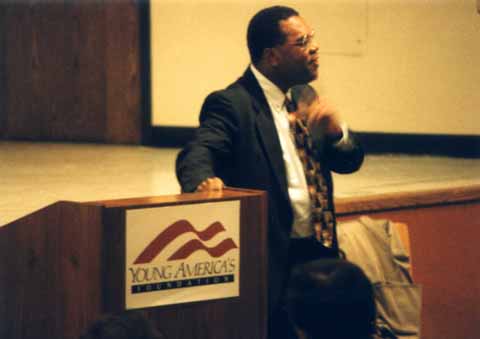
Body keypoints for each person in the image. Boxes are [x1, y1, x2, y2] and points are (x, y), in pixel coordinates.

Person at [176, 5, 370, 339]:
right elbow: (198, 150)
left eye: (313, 38)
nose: (315, 47)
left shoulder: (304, 96)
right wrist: (200, 182)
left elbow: (350, 162)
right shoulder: (233, 103)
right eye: (302, 41)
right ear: (272, 56)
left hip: (318, 247)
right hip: (273, 256)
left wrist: (337, 134)